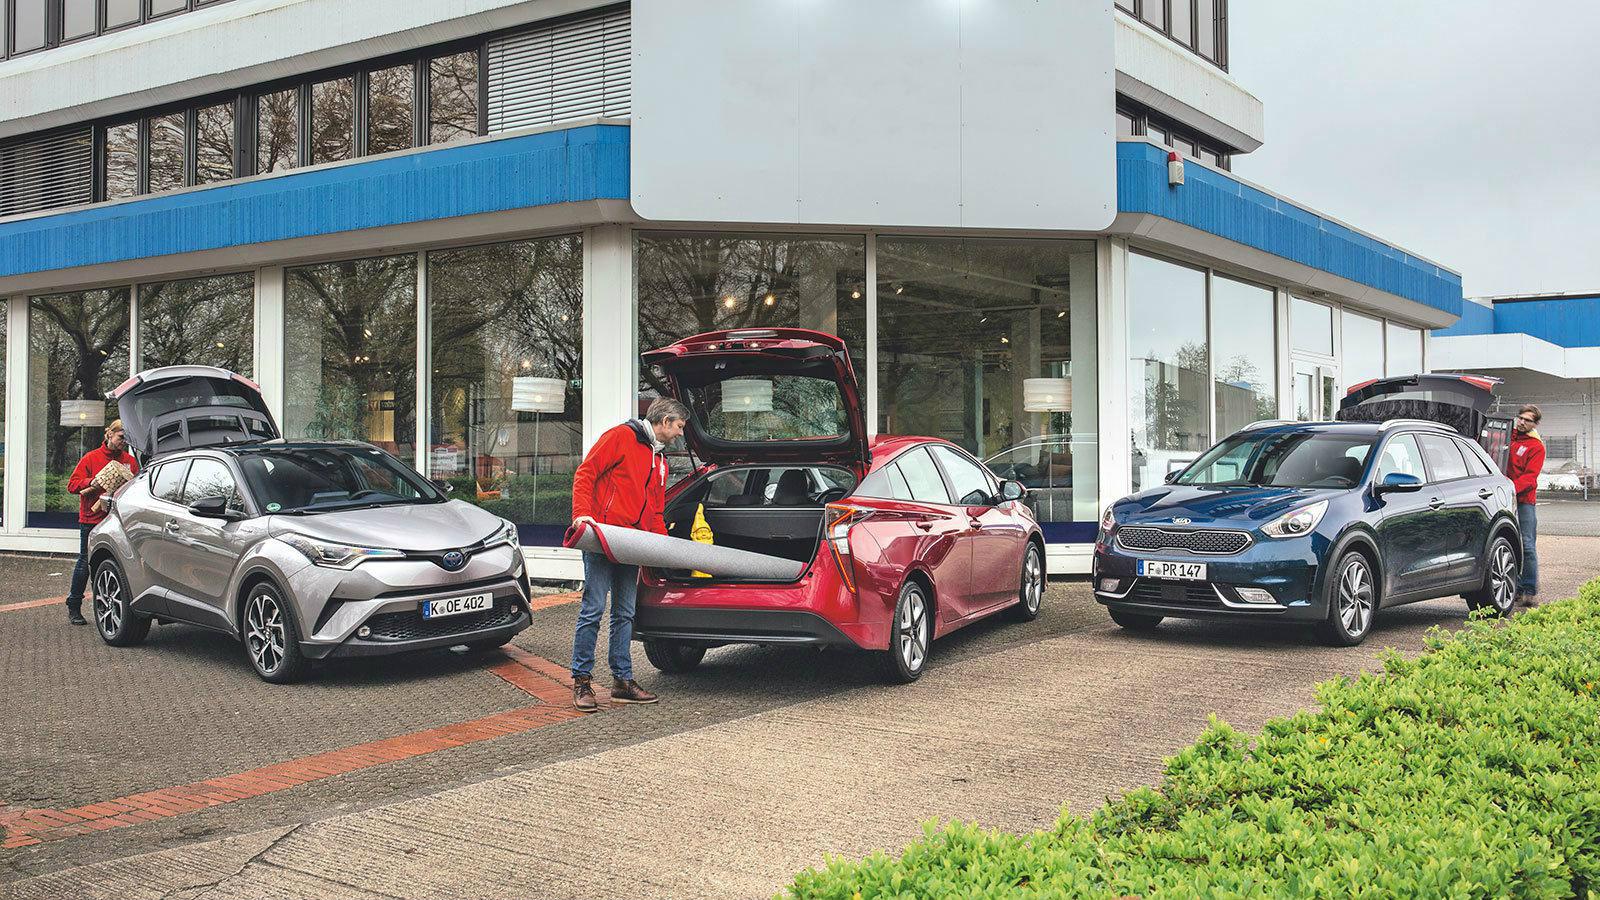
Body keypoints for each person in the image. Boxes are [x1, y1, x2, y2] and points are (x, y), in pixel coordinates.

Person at [567, 398, 689, 712]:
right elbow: (586, 473)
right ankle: (582, 681)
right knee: (593, 609)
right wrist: (582, 515)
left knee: (625, 613)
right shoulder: (620, 437)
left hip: (632, 544)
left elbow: (656, 512)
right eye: (679, 427)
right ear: (665, 421)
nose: (680, 433)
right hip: (603, 537)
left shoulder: (660, 461)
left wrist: (662, 549)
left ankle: (622, 682)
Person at [64, 419, 139, 626]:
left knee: (115, 564)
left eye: (126, 438)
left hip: (117, 520)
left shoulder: (130, 462)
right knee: (85, 563)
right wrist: (92, 482)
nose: (123, 441)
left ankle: (111, 606)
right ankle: (74, 605)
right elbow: (72, 485)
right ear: (109, 434)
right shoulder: (91, 458)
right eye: (121, 437)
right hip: (92, 519)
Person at [1507, 404, 1545, 606]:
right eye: (1520, 418)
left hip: (1523, 501)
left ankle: (1529, 590)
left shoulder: (1536, 447)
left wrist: (1511, 490)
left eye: (1527, 420)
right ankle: (1515, 588)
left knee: (1527, 545)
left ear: (1535, 424)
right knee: (1508, 544)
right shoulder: (1507, 437)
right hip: (1503, 498)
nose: (1522, 422)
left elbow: (1530, 478)